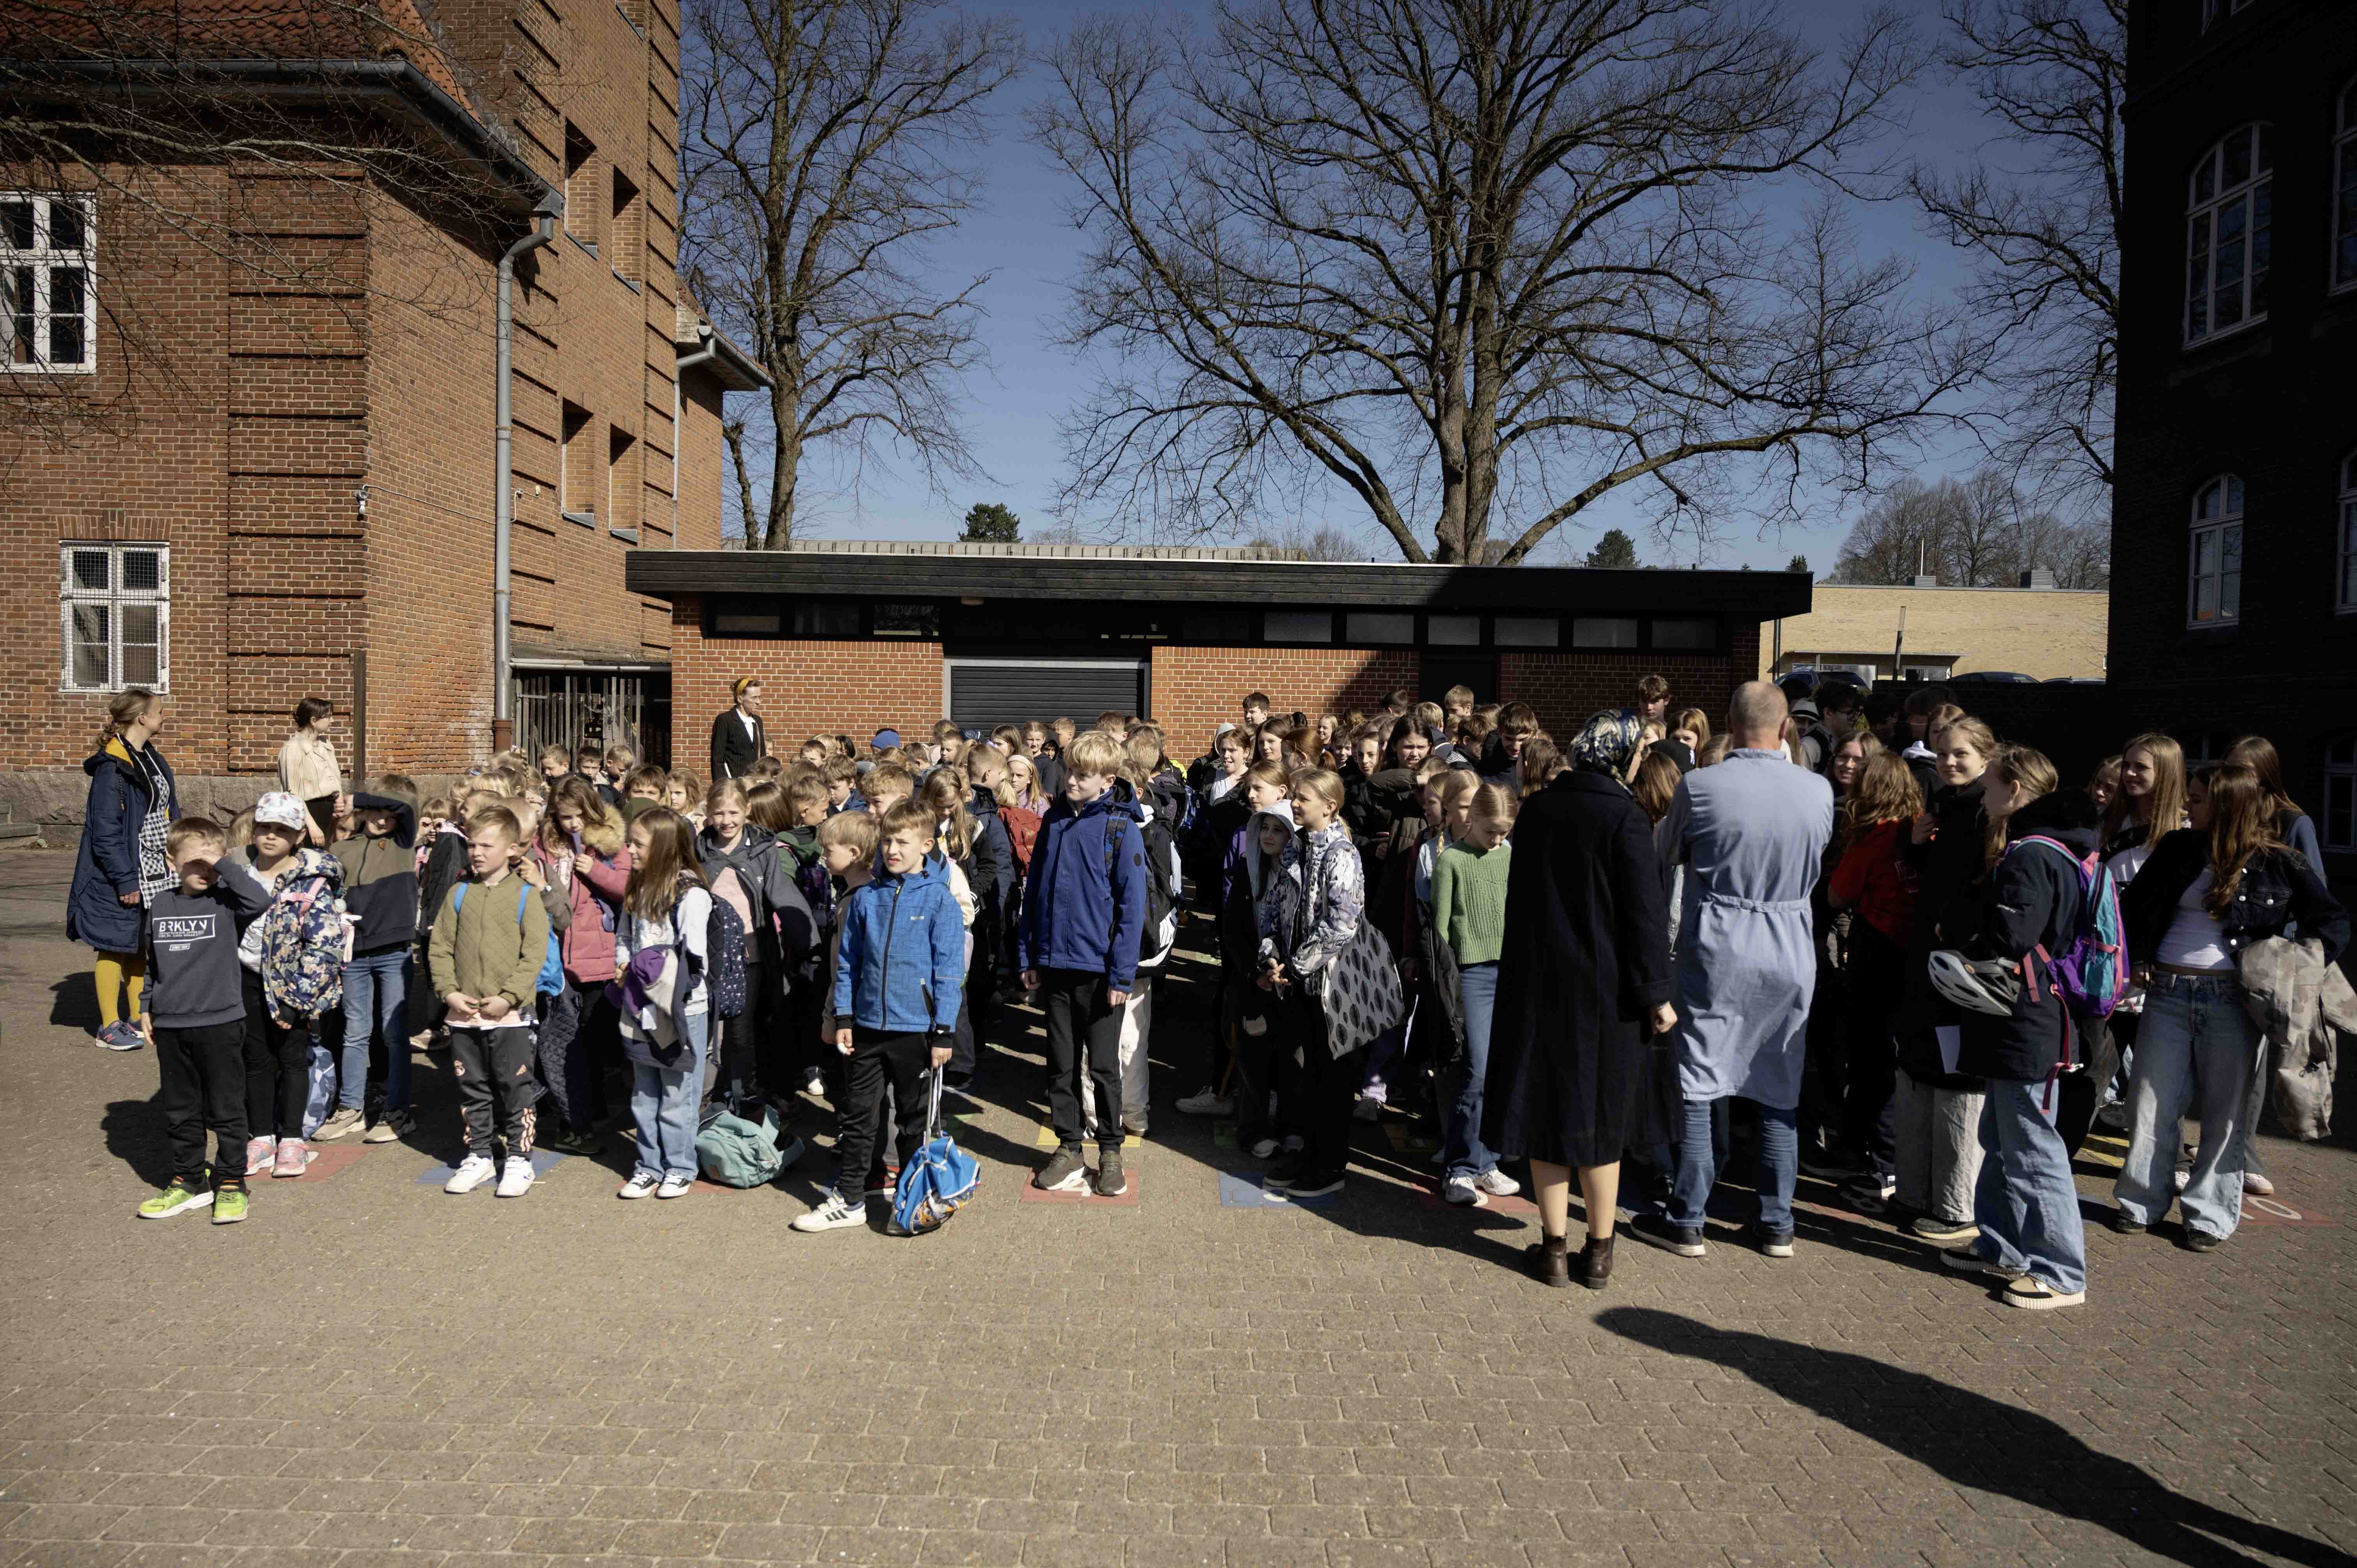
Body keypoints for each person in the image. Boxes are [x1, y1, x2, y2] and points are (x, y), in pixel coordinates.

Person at [1632, 683, 1834, 1261]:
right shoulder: (1818, 790)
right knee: (1779, 1085)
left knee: (1699, 1080)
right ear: (1786, 728)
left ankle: (1687, 1219)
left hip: (1720, 942)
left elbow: (1665, 850)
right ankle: (1776, 1223)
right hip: (1791, 944)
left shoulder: (1701, 785)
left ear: (1730, 722)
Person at [2113, 764, 2348, 1250]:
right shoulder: (2177, 848)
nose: (2188, 806)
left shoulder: (2278, 861)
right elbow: (2133, 908)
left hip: (2234, 1001)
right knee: (2150, 1103)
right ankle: (2141, 1202)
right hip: (2167, 992)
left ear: (2227, 804)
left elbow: (2332, 923)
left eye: (2198, 799)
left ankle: (2209, 1215)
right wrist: (2138, 958)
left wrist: (2291, 967)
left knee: (2224, 1113)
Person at [1484, 712, 1676, 1288]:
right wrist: (1657, 994)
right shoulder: (1626, 815)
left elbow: (1521, 903)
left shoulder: (1538, 810)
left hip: (1540, 987)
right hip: (1607, 996)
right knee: (1601, 1122)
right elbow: (1644, 916)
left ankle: (1553, 1250)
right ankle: (1598, 1252)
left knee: (1545, 1116)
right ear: (1622, 757)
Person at [1932, 745, 2093, 1309]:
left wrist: (1961, 928)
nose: (1985, 796)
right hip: (2019, 1015)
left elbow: (2012, 938)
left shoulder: (2030, 855)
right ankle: (2002, 1245)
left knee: (2032, 1147)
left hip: (2027, 1018)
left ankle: (2061, 1272)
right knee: (2001, 1141)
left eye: (1993, 785)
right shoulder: (2050, 849)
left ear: (2016, 789)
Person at [786, 798, 963, 1232]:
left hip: (917, 1032)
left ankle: (912, 1201)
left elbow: (949, 971)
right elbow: (848, 963)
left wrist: (944, 1031)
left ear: (926, 845)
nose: (892, 850)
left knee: (913, 1123)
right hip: (866, 1028)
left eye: (903, 842)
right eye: (887, 841)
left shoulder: (939, 900)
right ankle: (850, 1200)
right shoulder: (867, 898)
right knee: (859, 1118)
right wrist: (845, 1017)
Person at [1018, 728, 1148, 1197]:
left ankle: (1110, 1149)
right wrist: (1028, 953)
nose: (1071, 780)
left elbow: (1131, 909)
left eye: (1083, 774)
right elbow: (1034, 892)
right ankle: (1069, 1147)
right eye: (1070, 770)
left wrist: (1121, 975)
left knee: (1104, 1068)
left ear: (1108, 780)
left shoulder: (1121, 829)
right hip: (1055, 964)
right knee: (1060, 1063)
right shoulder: (1054, 820)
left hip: (1100, 972)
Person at [1887, 715, 1998, 1244]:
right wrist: (1914, 845)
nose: (1949, 762)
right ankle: (1916, 1192)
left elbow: (1982, 888)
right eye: (1944, 753)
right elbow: (1934, 875)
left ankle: (1957, 1206)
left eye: (1961, 754)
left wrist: (1954, 930)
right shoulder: (1945, 806)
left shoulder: (1986, 812)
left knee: (1957, 1079)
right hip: (1926, 962)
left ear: (1985, 758)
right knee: (1920, 1067)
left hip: (1960, 968)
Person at [134, 816, 275, 1223]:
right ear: (172, 862)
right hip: (171, 1025)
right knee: (181, 1110)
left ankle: (231, 1181)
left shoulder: (227, 902)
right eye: (195, 862)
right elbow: (153, 963)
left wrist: (223, 863)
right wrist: (146, 1005)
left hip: (221, 1023)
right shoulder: (161, 905)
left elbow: (260, 901)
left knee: (227, 1108)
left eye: (211, 863)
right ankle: (190, 1179)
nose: (205, 871)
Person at [1257, 767, 1372, 1198]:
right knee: (1308, 1074)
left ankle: (1330, 1164)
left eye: (1304, 798)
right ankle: (1309, 1155)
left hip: (1333, 986)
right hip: (1297, 985)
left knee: (1333, 1077)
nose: (1295, 804)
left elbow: (1342, 923)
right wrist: (1271, 954)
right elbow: (1275, 907)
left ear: (1330, 806)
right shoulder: (1295, 848)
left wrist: (1297, 965)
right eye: (1296, 797)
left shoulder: (1343, 854)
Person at [426, 804, 551, 1198]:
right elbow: (440, 947)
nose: (477, 852)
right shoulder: (459, 893)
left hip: (510, 1016)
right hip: (464, 1014)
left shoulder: (526, 896)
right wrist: (449, 992)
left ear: (513, 849)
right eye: (472, 845)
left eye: (486, 845)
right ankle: (479, 1154)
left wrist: (508, 997)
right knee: (473, 1087)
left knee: (516, 1087)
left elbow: (534, 954)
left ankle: (519, 1158)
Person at [2219, 734, 2321, 1197]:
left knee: (2255, 1060)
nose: (2236, 778)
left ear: (2266, 773)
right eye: (2230, 768)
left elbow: (2315, 894)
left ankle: (2244, 1156)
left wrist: (2296, 955)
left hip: (2268, 958)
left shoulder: (2293, 823)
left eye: (2245, 770)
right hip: (2220, 950)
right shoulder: (2224, 814)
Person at [1825, 753, 1923, 1210]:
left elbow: (1837, 894)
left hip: (1877, 950)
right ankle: (1869, 1153)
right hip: (1914, 954)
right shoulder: (1921, 829)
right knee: (1889, 1059)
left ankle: (1883, 1165)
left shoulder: (1876, 836)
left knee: (1872, 1059)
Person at [235, 793, 341, 1178]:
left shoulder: (312, 881)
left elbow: (324, 945)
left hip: (292, 985)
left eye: (281, 830)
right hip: (245, 979)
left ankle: (293, 1139)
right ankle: (262, 1136)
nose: (271, 836)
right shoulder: (238, 873)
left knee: (293, 1058)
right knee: (256, 1059)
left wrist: (297, 1000)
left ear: (298, 836)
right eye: (265, 827)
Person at [698, 778, 819, 1110]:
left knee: (741, 1030)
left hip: (750, 954)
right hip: (710, 954)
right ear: (708, 813)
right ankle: (711, 1092)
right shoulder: (700, 851)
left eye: (733, 813)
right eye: (719, 813)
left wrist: (810, 941)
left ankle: (739, 1093)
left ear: (747, 810)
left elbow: (783, 894)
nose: (726, 821)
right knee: (709, 1028)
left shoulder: (762, 850)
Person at [611, 807, 713, 1199]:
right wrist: (624, 963)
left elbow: (695, 961)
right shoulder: (638, 886)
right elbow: (625, 935)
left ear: (664, 847)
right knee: (644, 1092)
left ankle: (680, 1166)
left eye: (637, 843)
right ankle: (649, 1166)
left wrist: (651, 978)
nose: (629, 850)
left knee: (677, 1093)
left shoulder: (691, 895)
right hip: (639, 1006)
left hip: (681, 1010)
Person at [70, 689, 178, 1051]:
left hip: (154, 866)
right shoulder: (112, 766)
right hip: (122, 870)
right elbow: (105, 831)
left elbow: (168, 810)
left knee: (139, 943)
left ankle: (135, 1016)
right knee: (113, 943)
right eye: (159, 711)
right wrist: (125, 879)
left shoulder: (151, 757)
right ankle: (108, 1026)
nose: (164, 716)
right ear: (142, 718)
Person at [532, 777, 631, 1155]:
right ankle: (572, 1115)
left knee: (593, 1038)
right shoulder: (542, 845)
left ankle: (594, 1108)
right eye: (564, 817)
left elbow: (625, 887)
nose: (572, 824)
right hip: (554, 953)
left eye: (578, 816)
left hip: (596, 952)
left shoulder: (608, 841)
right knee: (563, 1037)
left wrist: (595, 870)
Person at [1433, 783, 1519, 1207]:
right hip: (1471, 976)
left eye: (1505, 831)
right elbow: (1441, 930)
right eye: (1491, 831)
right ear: (1473, 819)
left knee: (1500, 1073)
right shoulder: (1451, 859)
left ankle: (1486, 1162)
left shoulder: (1511, 856)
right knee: (1477, 1071)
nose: (1498, 839)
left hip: (1512, 974)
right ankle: (1460, 1168)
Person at [325, 779, 421, 1144]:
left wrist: (358, 799)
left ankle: (398, 1110)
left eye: (388, 813)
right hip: (355, 954)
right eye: (375, 812)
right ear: (364, 814)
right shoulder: (342, 849)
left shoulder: (403, 843)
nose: (382, 819)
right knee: (355, 1033)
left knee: (393, 1034)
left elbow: (406, 808)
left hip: (394, 952)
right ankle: (351, 1107)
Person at [275, 696, 344, 846]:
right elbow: (293, 794)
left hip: (330, 812)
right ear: (313, 720)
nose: (332, 721)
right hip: (308, 815)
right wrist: (312, 827)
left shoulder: (326, 745)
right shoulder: (293, 748)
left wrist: (339, 801)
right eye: (329, 717)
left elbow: (335, 777)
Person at [710, 675, 769, 781]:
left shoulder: (757, 721)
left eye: (760, 697)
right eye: (754, 698)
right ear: (740, 699)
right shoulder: (725, 720)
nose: (759, 702)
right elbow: (717, 759)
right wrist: (723, 786)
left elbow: (762, 756)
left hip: (755, 784)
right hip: (734, 784)